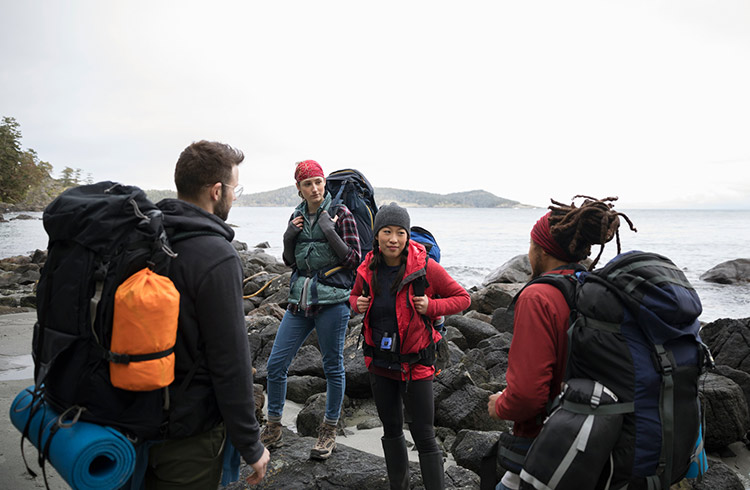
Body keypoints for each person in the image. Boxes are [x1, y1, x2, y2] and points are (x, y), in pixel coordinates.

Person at [486, 196, 635, 490]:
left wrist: (500, 406)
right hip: (595, 436)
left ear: (541, 249)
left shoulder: (537, 297)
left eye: (531, 244)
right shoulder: (589, 286)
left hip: (547, 444)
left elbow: (528, 395)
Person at [147, 140, 269, 488]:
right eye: (235, 188)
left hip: (132, 410)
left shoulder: (150, 237)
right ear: (217, 191)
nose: (234, 196)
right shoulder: (216, 255)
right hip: (188, 430)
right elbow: (229, 359)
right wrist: (250, 443)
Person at [350, 203, 470, 490]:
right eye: (387, 232)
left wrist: (432, 306)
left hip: (416, 366)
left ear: (407, 236)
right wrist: (357, 303)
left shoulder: (425, 267)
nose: (393, 239)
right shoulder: (367, 267)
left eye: (400, 232)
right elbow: (353, 296)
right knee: (391, 430)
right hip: (379, 363)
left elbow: (463, 298)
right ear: (377, 235)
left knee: (424, 435)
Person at [261, 159, 361, 460]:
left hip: (332, 302)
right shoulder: (296, 216)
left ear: (324, 183)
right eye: (308, 183)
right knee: (275, 365)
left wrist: (330, 231)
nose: (315, 188)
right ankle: (274, 427)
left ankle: (328, 431)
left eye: (318, 181)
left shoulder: (341, 213)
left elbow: (354, 260)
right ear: (299, 188)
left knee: (333, 367)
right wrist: (288, 237)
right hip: (299, 301)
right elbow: (291, 261)